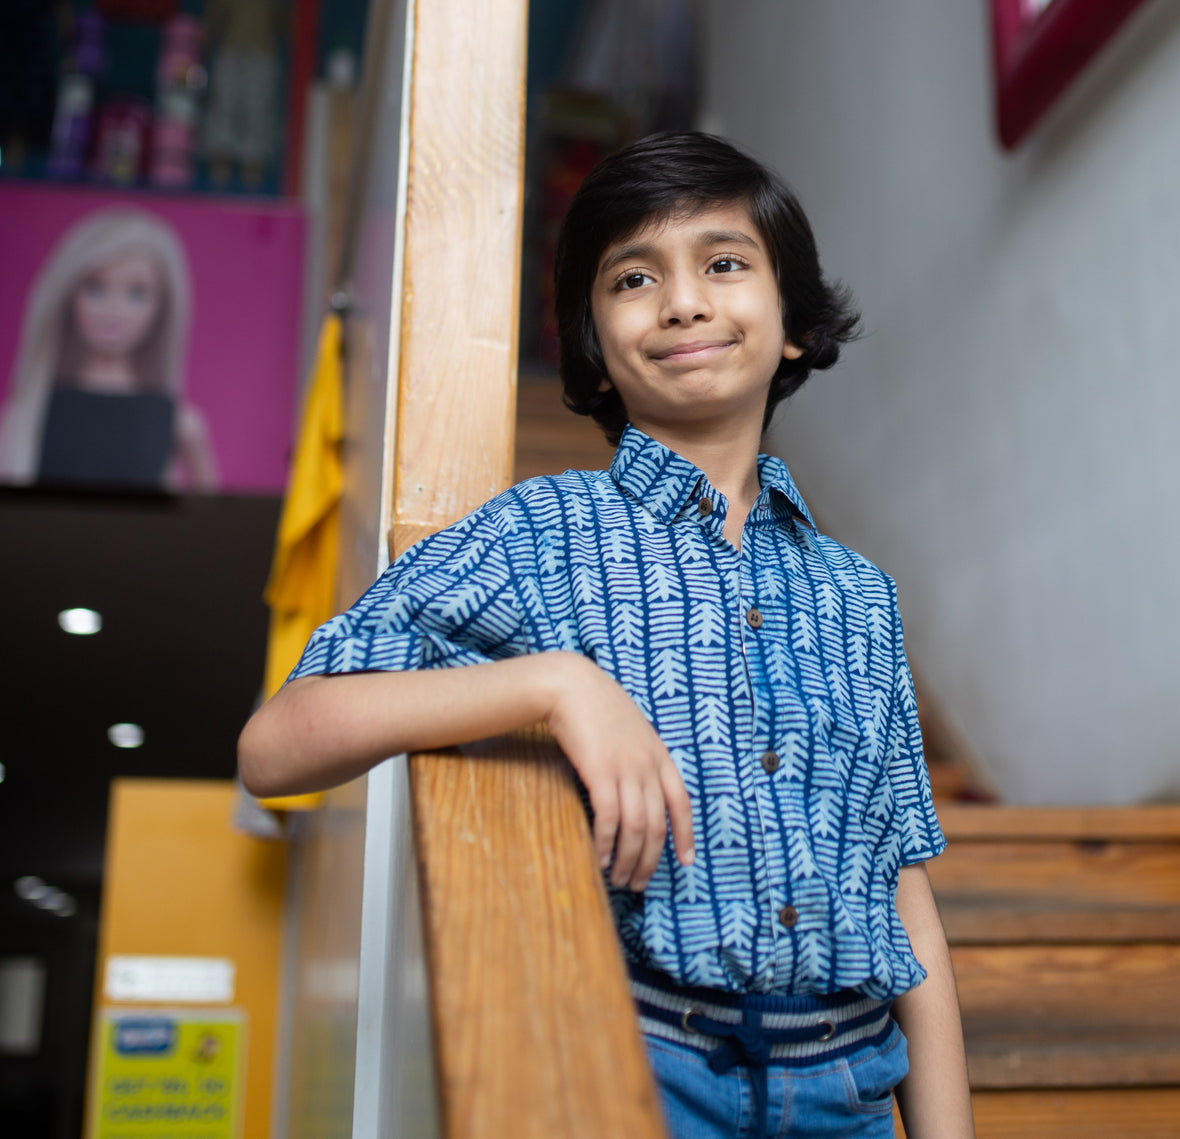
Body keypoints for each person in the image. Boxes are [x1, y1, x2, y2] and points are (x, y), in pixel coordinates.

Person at [238, 132, 975, 1139]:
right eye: (634, 277)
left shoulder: (859, 596)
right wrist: (554, 684)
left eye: (723, 263)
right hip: (647, 1069)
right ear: (592, 336)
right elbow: (276, 744)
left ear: (792, 322)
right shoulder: (539, 531)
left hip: (850, 1086)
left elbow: (902, 893)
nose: (681, 301)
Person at [0, 207, 218, 491]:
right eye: (95, 288)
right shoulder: (27, 416)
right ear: (68, 295)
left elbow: (210, 517)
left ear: (162, 308)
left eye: (137, 293)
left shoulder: (181, 425)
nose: (114, 309)